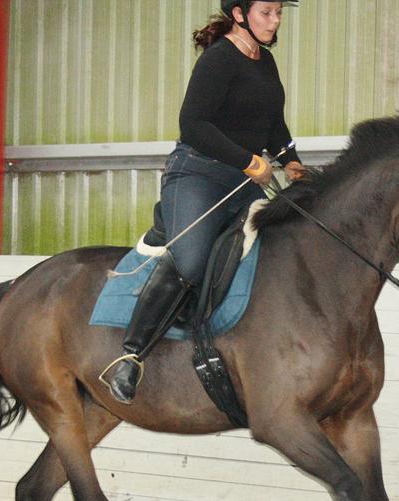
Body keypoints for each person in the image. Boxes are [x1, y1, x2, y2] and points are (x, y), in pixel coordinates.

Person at [102, 0, 308, 404]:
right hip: (198, 174)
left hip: (243, 180)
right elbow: (193, 124)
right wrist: (249, 161)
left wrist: (292, 162)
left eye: (278, 13)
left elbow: (273, 124)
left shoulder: (265, 61)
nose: (275, 20)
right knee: (192, 260)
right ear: (239, 14)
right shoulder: (218, 60)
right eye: (266, 12)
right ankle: (131, 356)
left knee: (280, 243)